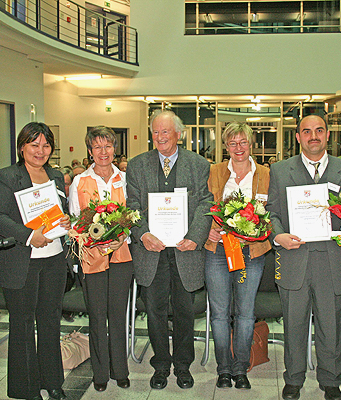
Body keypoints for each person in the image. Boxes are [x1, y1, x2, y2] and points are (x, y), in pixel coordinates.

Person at [266, 114, 341, 400]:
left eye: (319, 130)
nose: (313, 136)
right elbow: (272, 212)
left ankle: (330, 379)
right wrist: (278, 235)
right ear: (298, 137)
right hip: (295, 258)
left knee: (331, 325)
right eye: (306, 131)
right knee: (293, 324)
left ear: (328, 135)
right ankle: (293, 379)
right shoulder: (281, 171)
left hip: (334, 260)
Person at [126, 110, 213, 390]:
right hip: (151, 252)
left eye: (165, 132)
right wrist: (143, 234)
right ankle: (161, 364)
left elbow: (204, 203)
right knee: (155, 311)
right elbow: (132, 207)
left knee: (185, 311)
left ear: (178, 133)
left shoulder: (198, 164)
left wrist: (195, 237)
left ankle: (183, 365)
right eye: (155, 132)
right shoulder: (137, 165)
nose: (160, 137)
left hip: (186, 250)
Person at [0, 122, 71, 400]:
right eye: (34, 144)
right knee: (23, 325)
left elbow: (62, 209)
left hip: (54, 260)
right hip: (22, 262)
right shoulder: (6, 176)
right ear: (22, 146)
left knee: (50, 322)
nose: (41, 151)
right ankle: (26, 388)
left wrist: (66, 219)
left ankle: (53, 382)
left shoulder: (56, 176)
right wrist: (28, 236)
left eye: (46, 145)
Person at [204, 122, 271, 390]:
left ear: (251, 144)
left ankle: (241, 368)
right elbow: (203, 205)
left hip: (251, 251)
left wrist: (259, 230)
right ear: (226, 146)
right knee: (220, 313)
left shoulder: (266, 174)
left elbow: (273, 211)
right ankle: (223, 368)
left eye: (243, 142)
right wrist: (208, 229)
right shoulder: (215, 171)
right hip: (219, 249)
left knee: (245, 313)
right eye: (233, 143)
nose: (238, 148)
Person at [68, 126, 133, 392]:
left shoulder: (125, 178)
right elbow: (74, 219)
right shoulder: (79, 182)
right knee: (96, 316)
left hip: (121, 254)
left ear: (114, 149)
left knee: (118, 315)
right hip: (91, 257)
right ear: (90, 151)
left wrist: (122, 235)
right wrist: (89, 237)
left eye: (107, 146)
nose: (103, 152)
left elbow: (133, 213)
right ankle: (100, 374)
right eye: (97, 147)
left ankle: (120, 370)